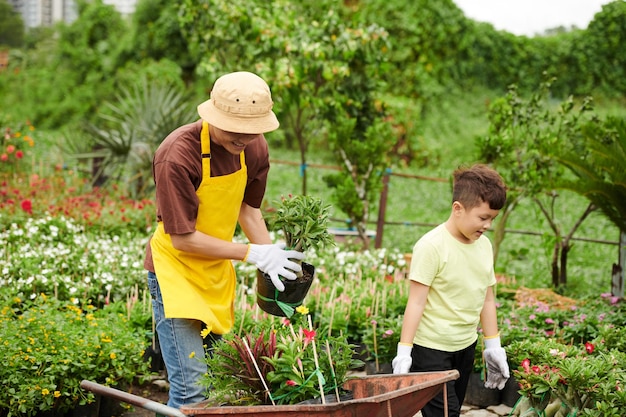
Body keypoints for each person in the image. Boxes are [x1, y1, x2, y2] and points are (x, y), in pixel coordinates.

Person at [144, 71, 305, 409]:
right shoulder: (178, 154)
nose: (244, 137)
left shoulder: (254, 147)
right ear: (213, 115)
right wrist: (251, 253)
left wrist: (275, 264)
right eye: (235, 128)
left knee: (214, 384)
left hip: (215, 270)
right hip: (175, 273)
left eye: (252, 129)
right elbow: (183, 239)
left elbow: (248, 210)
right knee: (191, 391)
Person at [392, 164, 510, 417]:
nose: (488, 225)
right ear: (458, 208)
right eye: (483, 217)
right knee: (447, 413)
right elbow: (416, 303)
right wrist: (404, 352)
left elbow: (487, 298)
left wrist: (493, 345)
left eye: (493, 219)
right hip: (431, 349)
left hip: (465, 346)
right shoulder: (431, 246)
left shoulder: (484, 246)